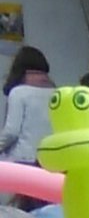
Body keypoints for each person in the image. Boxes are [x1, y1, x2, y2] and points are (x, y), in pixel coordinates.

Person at [0, 45, 55, 188]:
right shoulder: (57, 93)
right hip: (51, 160)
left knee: (20, 207)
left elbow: (11, 132)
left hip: (24, 161)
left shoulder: (19, 92)